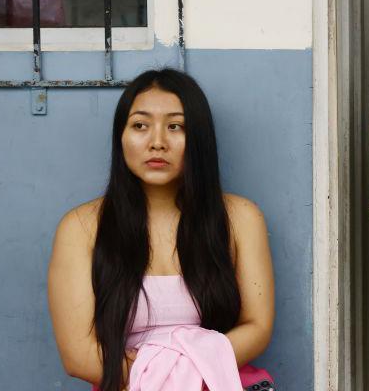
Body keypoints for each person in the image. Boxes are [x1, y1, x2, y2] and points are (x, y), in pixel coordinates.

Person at [47, 69, 275, 391]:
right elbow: (78, 356)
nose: (157, 142)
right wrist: (164, 376)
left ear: (198, 139)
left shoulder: (241, 218)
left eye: (175, 126)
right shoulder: (81, 228)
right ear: (121, 136)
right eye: (140, 125)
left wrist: (178, 374)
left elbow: (258, 327)